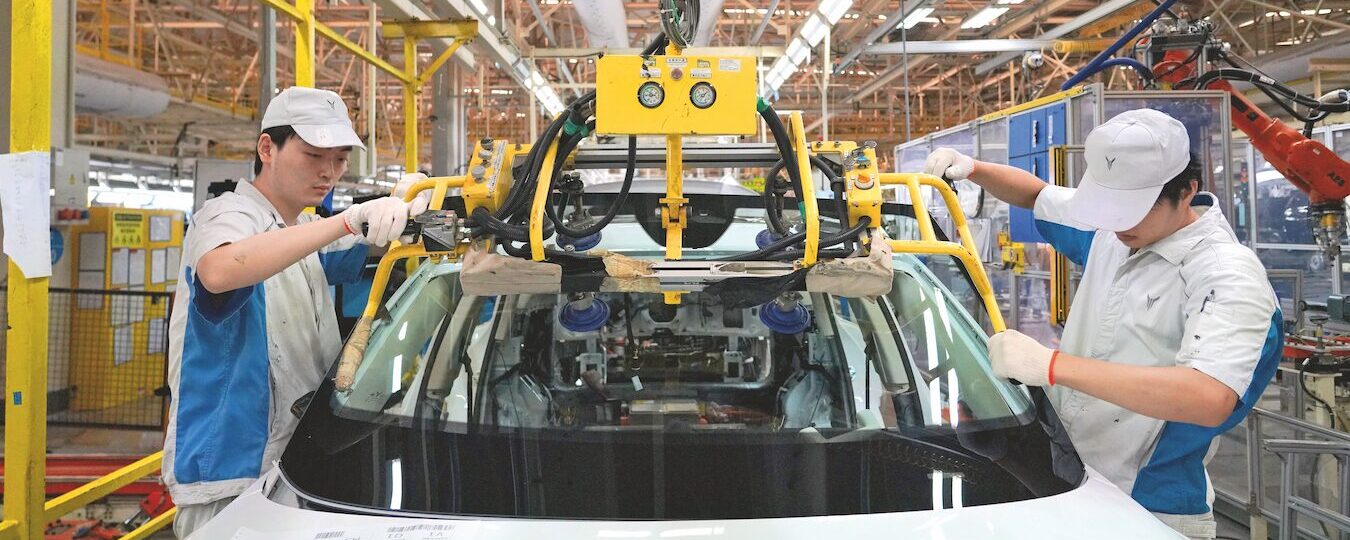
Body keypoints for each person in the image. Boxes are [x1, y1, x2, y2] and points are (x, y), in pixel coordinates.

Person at [925, 109, 1281, 540]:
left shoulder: (1225, 273)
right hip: (1066, 484)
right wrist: (974, 169)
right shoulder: (1113, 234)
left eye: (1132, 211)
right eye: (1108, 208)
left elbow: (1209, 396)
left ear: (1187, 191)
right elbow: (1036, 195)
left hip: (1147, 507)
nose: (1117, 223)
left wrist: (1049, 366)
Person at [162, 86, 431, 538]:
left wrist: (413, 210)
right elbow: (220, 270)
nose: (329, 172)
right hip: (231, 480)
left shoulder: (303, 228)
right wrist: (346, 220)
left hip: (296, 467)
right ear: (267, 148)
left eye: (340, 159)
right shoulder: (227, 215)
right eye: (314, 155)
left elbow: (364, 245)